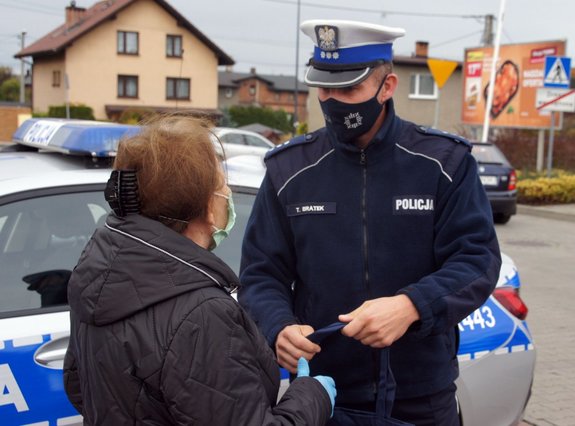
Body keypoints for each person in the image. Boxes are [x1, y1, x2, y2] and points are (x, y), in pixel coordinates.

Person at [239, 20, 501, 426]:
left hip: (422, 396)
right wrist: (278, 328)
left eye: (348, 89)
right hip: (322, 394)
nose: (333, 101)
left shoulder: (443, 164)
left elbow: (477, 261)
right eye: (324, 89)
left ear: (388, 86)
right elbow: (260, 274)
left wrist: (410, 305)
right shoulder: (289, 170)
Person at [63, 115, 336, 425]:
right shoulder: (203, 315)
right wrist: (311, 397)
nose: (229, 195)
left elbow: (78, 387)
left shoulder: (96, 273)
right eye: (223, 186)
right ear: (207, 207)